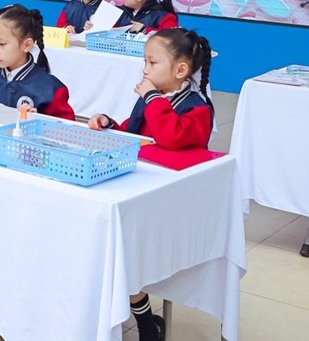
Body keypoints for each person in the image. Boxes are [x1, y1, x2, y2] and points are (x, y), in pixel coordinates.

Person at [89, 28, 215, 341]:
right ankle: (134, 318)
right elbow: (138, 133)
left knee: (124, 256)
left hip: (168, 201)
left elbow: (170, 136)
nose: (145, 70)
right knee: (106, 244)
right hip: (135, 186)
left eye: (152, 62)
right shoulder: (153, 98)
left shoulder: (197, 108)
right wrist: (111, 124)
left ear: (181, 70)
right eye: (145, 62)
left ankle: (145, 323)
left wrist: (152, 98)